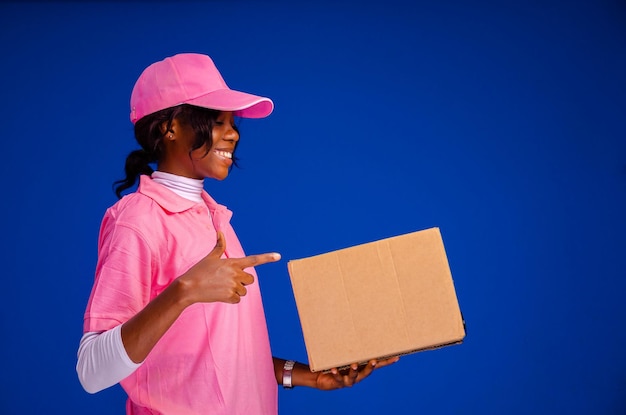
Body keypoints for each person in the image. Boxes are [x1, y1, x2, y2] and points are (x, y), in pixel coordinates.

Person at [76, 52, 399, 414]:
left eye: (232, 123)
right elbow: (91, 371)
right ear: (169, 127)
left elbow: (209, 358)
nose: (232, 134)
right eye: (215, 121)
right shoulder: (138, 219)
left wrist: (303, 375)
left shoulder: (214, 218)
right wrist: (184, 291)